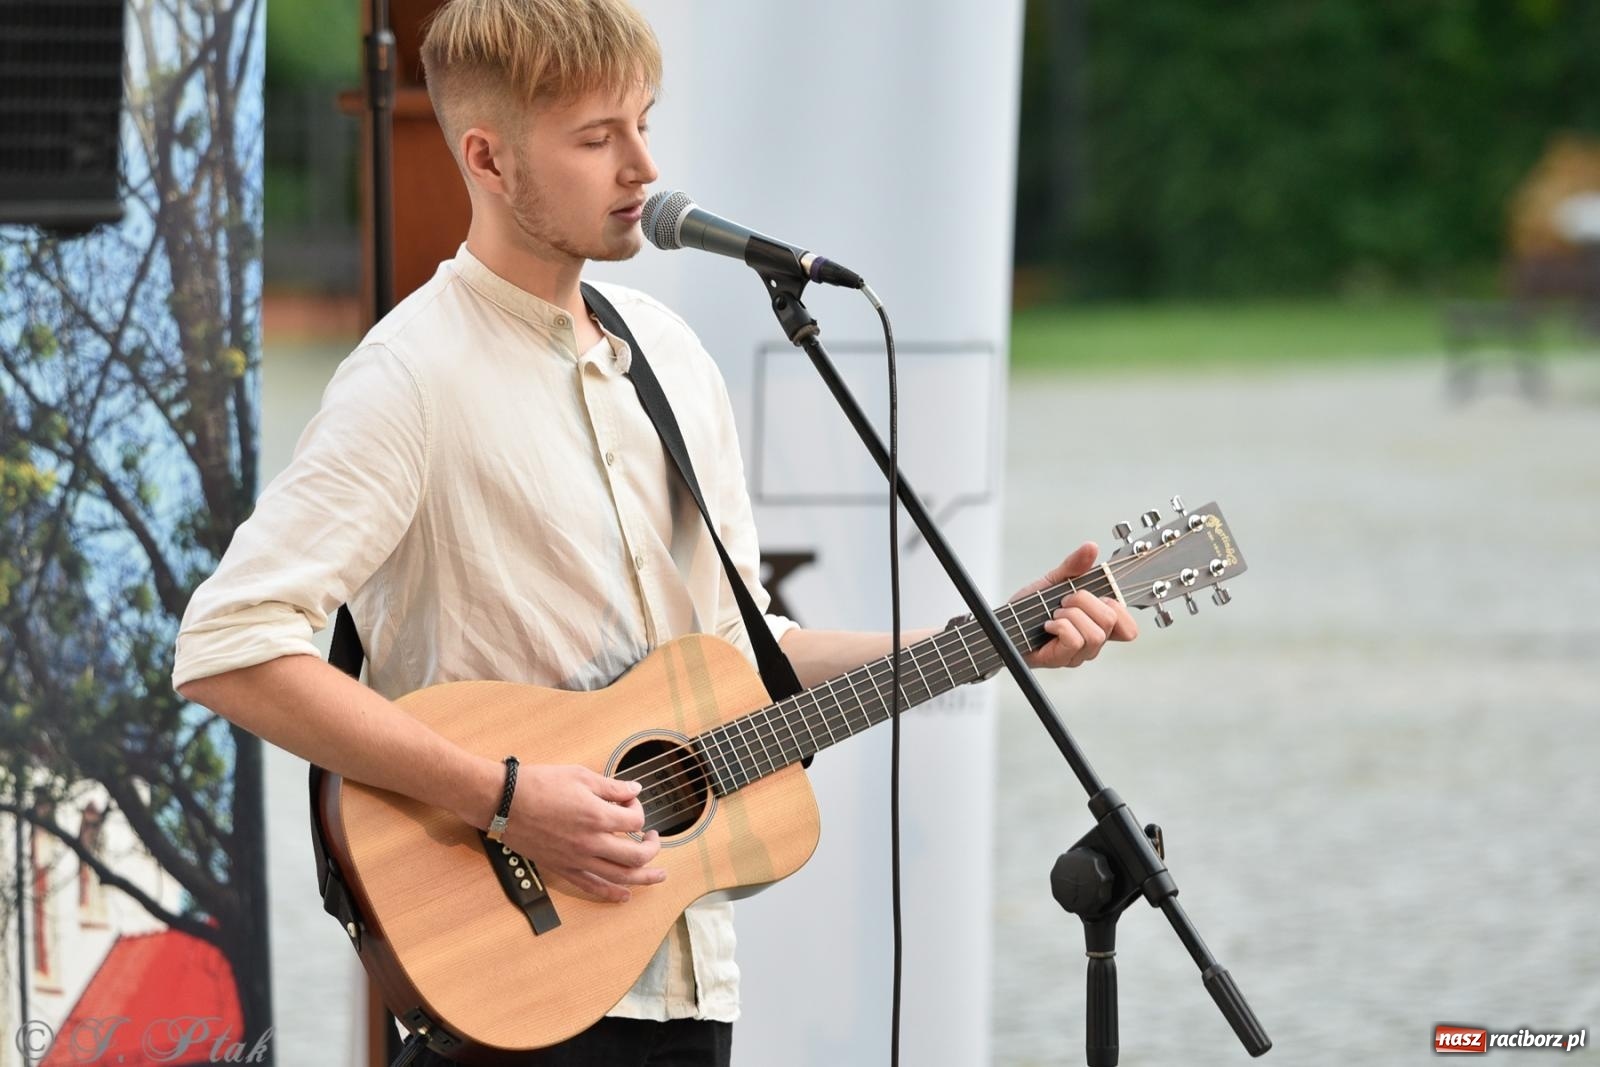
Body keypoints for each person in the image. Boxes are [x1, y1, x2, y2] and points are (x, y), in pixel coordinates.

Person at [171, 0, 1137, 1063]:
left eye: (643, 122)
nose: (643, 166)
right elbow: (230, 647)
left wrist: (986, 640)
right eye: (596, 137)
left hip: (684, 986)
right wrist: (505, 797)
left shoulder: (670, 360)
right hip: (508, 987)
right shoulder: (409, 378)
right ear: (487, 159)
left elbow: (746, 654)